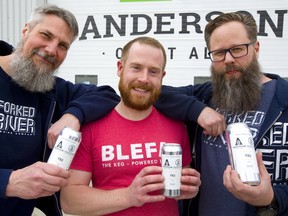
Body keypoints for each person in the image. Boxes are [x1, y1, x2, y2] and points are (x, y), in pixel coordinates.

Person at [155, 12, 288, 216]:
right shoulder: (207, 95)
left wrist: (271, 198)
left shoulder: (284, 99)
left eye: (237, 49)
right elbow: (156, 93)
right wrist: (198, 110)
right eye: (218, 53)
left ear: (256, 48)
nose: (228, 59)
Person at [60, 36, 201, 216]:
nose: (144, 78)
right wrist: (128, 196)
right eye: (136, 68)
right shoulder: (91, 126)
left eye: (153, 71)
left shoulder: (177, 125)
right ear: (120, 68)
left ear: (162, 76)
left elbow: (183, 178)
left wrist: (189, 188)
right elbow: (70, 201)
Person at [0, 4, 119, 216]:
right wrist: (8, 181)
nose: (51, 49)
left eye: (62, 45)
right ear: (26, 30)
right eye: (45, 35)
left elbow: (107, 94)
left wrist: (73, 115)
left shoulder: (52, 89)